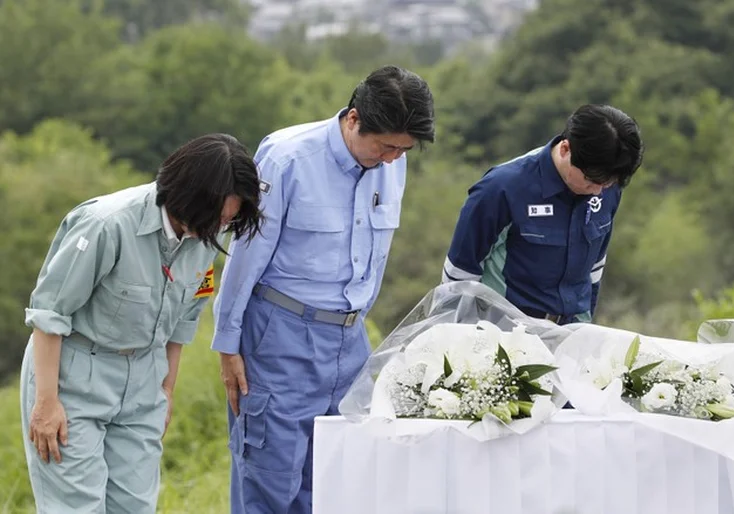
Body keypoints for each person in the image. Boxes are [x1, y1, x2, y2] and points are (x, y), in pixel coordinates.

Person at [211, 65, 435, 513]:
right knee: (269, 484)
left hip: (351, 343)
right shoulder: (286, 157)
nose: (392, 158)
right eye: (386, 146)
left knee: (338, 483)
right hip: (280, 339)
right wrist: (228, 345)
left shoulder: (393, 164)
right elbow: (246, 257)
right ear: (354, 119)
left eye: (403, 149)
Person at [20, 134, 263, 514]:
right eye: (217, 217)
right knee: (76, 507)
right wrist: (46, 403)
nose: (221, 226)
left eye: (228, 220)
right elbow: (50, 314)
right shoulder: (107, 224)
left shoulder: (202, 239)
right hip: (74, 376)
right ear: (190, 196)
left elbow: (183, 322)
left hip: (145, 381)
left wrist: (165, 392)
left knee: (135, 506)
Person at [442, 104, 643, 324]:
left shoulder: (606, 184)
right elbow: (458, 278)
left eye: (609, 183)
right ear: (566, 149)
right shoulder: (501, 188)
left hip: (571, 335)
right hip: (505, 335)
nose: (598, 191)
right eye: (590, 180)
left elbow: (594, 270)